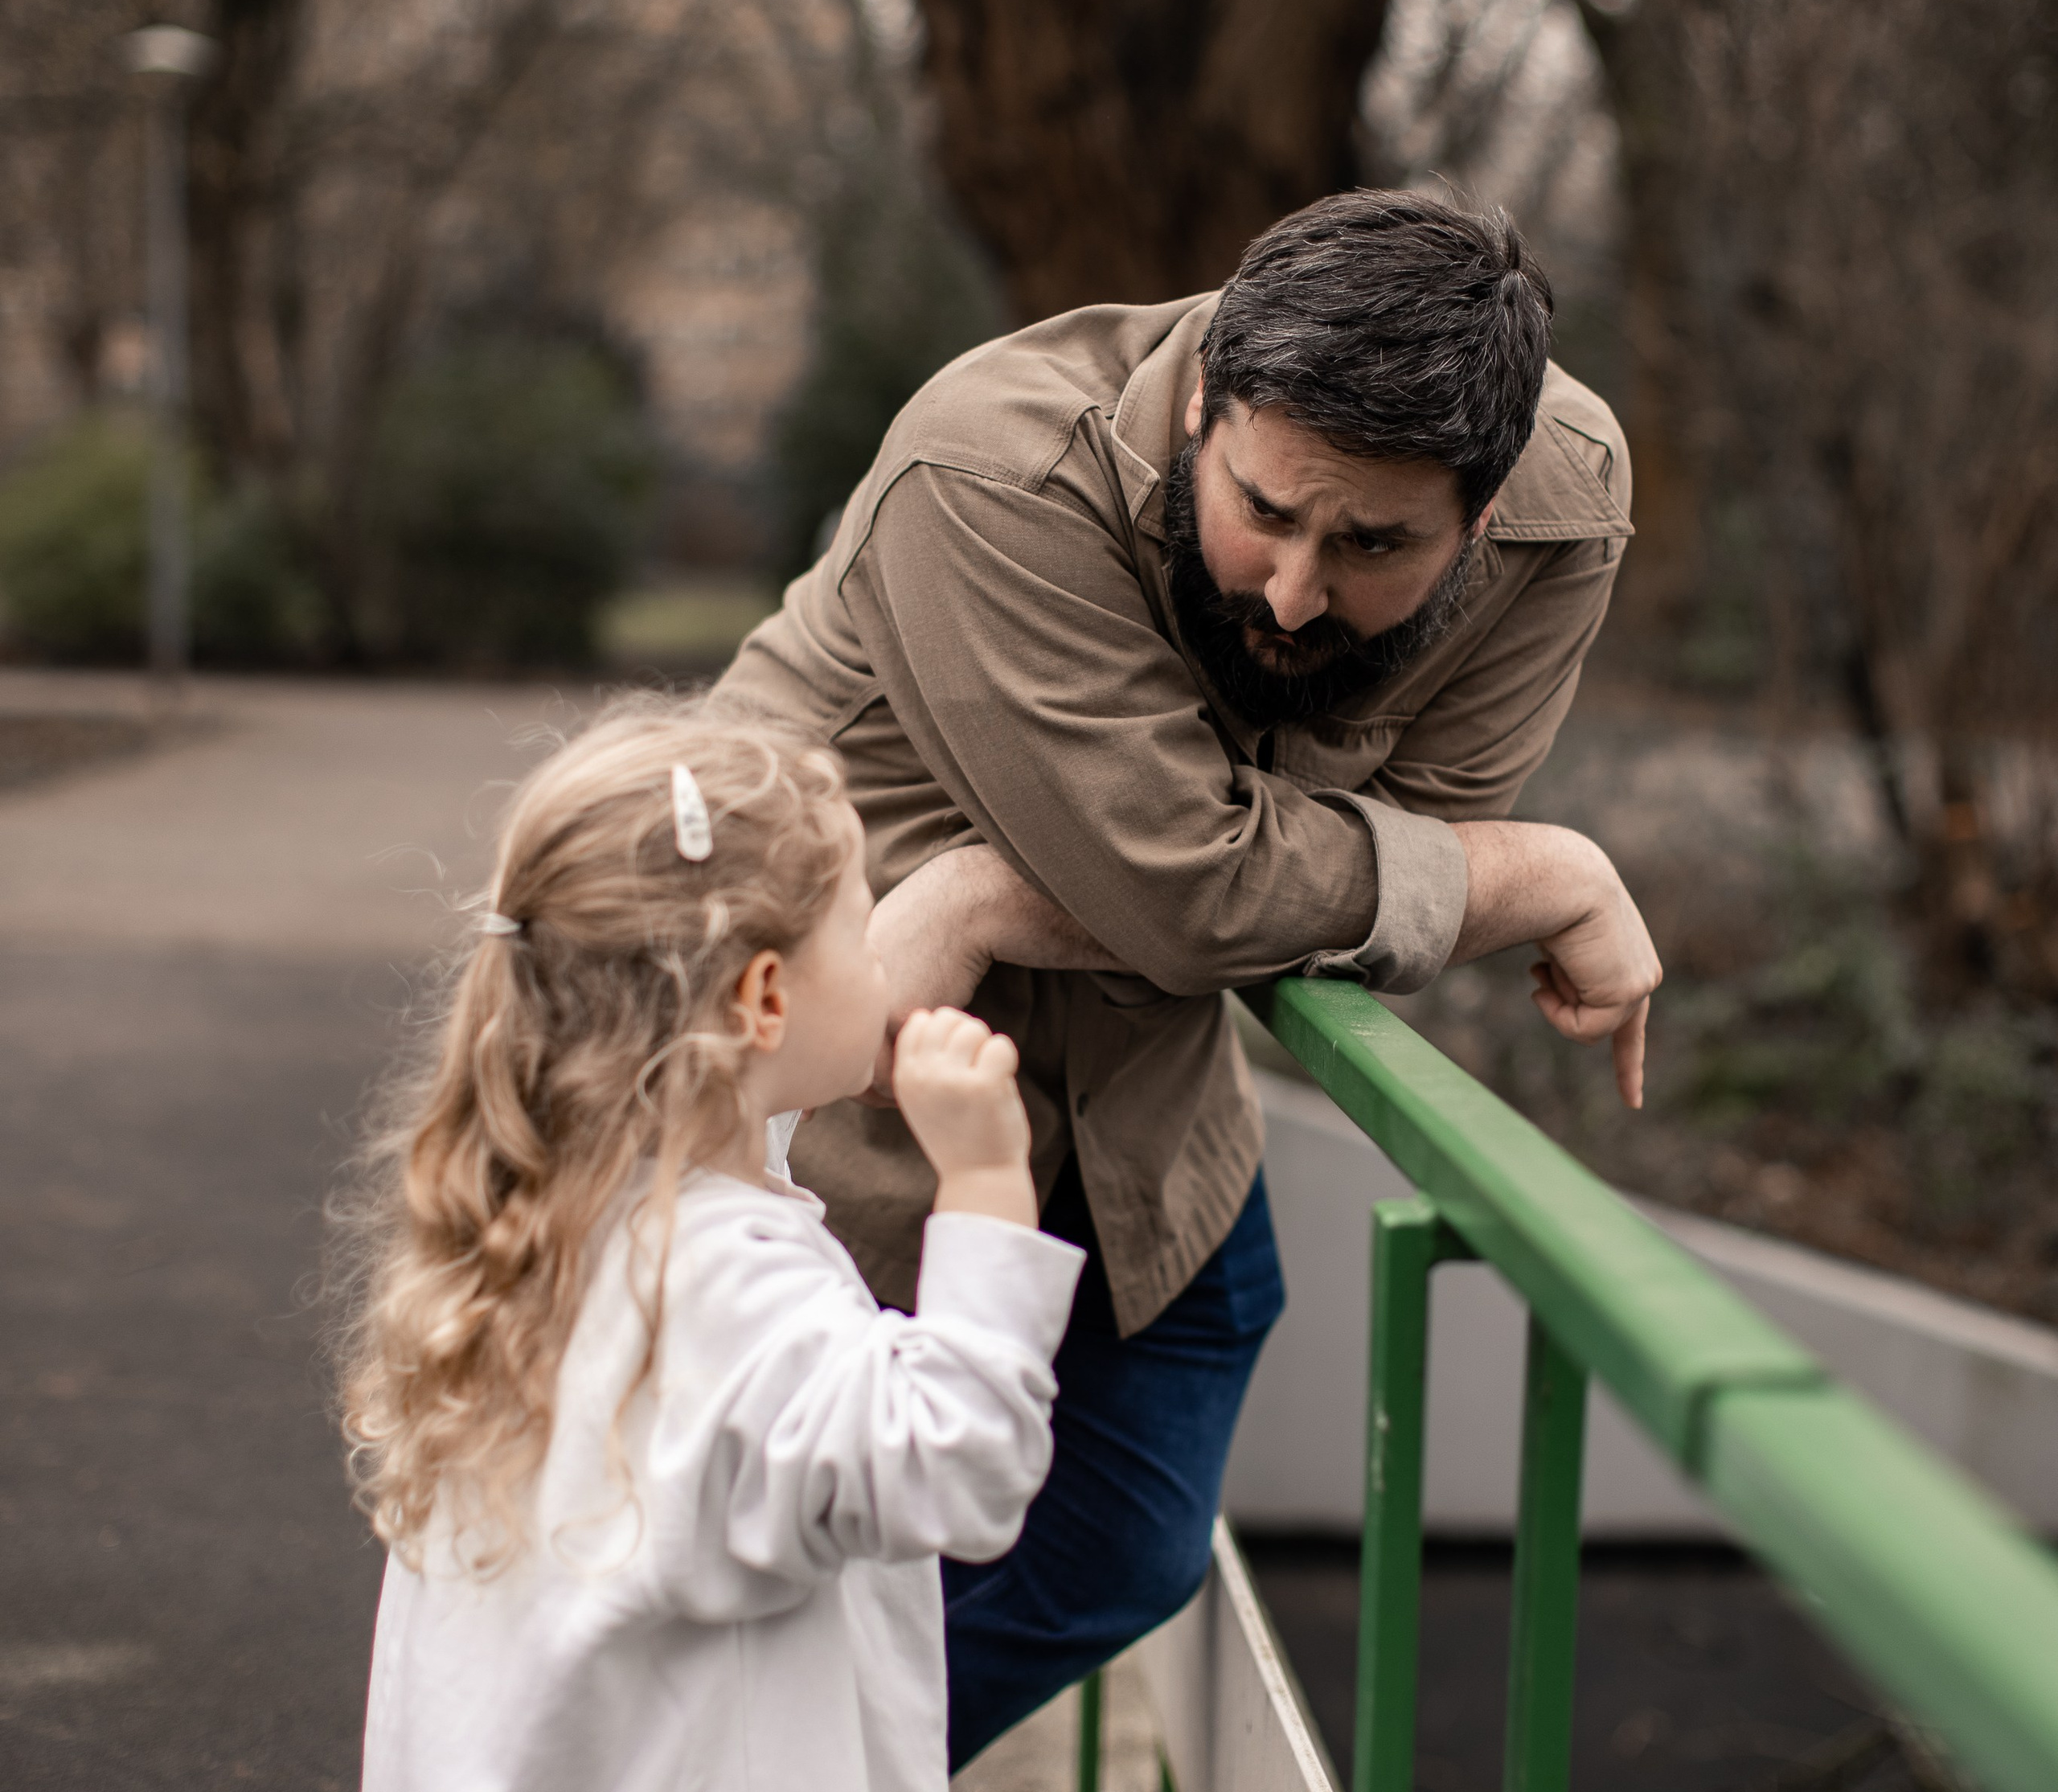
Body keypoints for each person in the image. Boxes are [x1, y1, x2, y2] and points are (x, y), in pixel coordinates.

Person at [715, 188, 1664, 1764]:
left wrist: (1008, 886)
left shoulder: (1565, 496)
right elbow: (1199, 885)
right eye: (1262, 512)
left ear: (1479, 516)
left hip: (1150, 1099)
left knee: (1122, 1543)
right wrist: (1548, 874)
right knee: (789, 1545)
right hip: (829, 1049)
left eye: (1370, 546)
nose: (1294, 589)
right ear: (1207, 401)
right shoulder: (989, 466)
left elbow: (1392, 840)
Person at [339, 699, 1086, 1792]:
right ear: (766, 996)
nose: (886, 969)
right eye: (859, 926)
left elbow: (727, 1116)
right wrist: (982, 1177)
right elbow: (957, 1466)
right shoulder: (732, 1289)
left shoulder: (556, 1213)